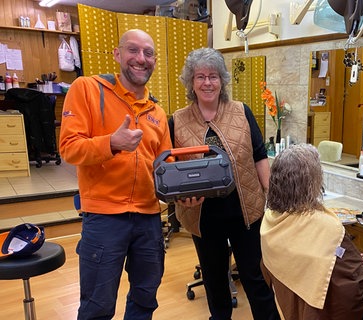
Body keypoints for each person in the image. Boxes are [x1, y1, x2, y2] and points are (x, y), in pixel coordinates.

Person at [59, 29, 172, 319]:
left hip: (148, 218)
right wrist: (111, 143)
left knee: (146, 298)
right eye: (133, 50)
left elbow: (164, 166)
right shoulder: (87, 89)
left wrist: (183, 192)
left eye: (148, 53)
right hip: (104, 218)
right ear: (117, 54)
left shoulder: (157, 112)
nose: (140, 58)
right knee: (97, 306)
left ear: (155, 61)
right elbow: (69, 149)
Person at [171, 47, 279, 320]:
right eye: (200, 77)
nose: (207, 82)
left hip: (246, 210)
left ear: (222, 80)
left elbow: (259, 155)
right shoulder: (177, 120)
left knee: (256, 278)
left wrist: (272, 197)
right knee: (215, 279)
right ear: (191, 83)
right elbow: (171, 169)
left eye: (214, 76)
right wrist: (179, 197)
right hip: (202, 215)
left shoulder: (241, 111)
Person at [260, 143, 363, 320]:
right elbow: (355, 284)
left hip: (289, 306)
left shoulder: (271, 219)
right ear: (312, 182)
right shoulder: (326, 228)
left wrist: (346, 257)